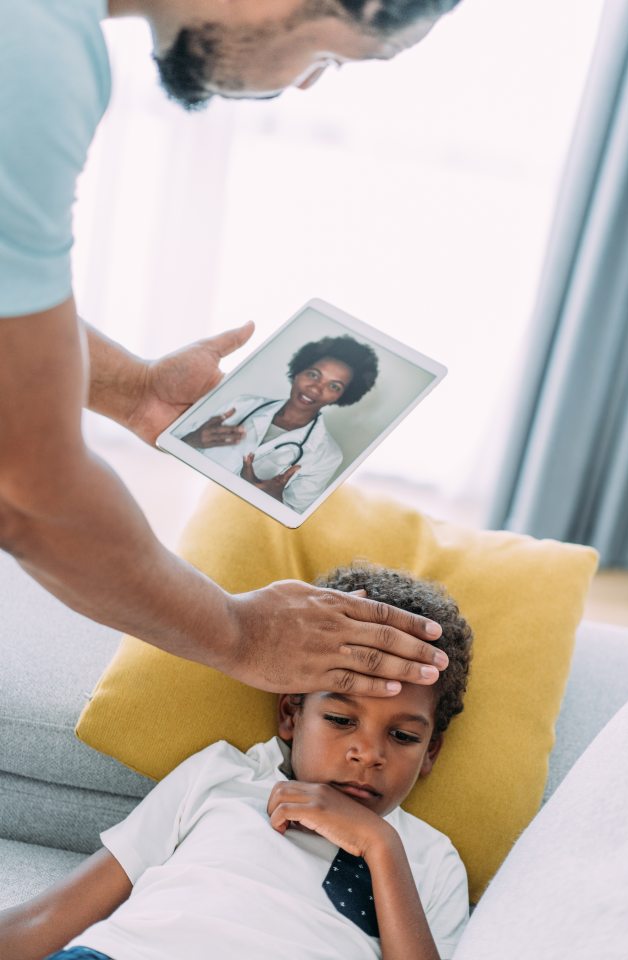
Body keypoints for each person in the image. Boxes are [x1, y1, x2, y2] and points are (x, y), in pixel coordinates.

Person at [0, 0, 461, 696]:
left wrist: (133, 391)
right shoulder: (34, 58)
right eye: (333, 56)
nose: (304, 87)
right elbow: (27, 493)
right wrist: (240, 634)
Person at [0, 563, 473, 960]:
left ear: (430, 751)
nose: (368, 753)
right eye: (340, 719)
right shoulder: (222, 775)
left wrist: (379, 844)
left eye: (403, 735)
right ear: (291, 714)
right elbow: (52, 917)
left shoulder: (430, 859)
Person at [181, 335, 379, 512]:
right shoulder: (242, 404)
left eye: (334, 386)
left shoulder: (327, 454)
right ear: (298, 372)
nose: (316, 389)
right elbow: (171, 445)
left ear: (342, 396)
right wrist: (192, 439)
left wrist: (273, 500)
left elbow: (292, 516)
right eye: (313, 374)